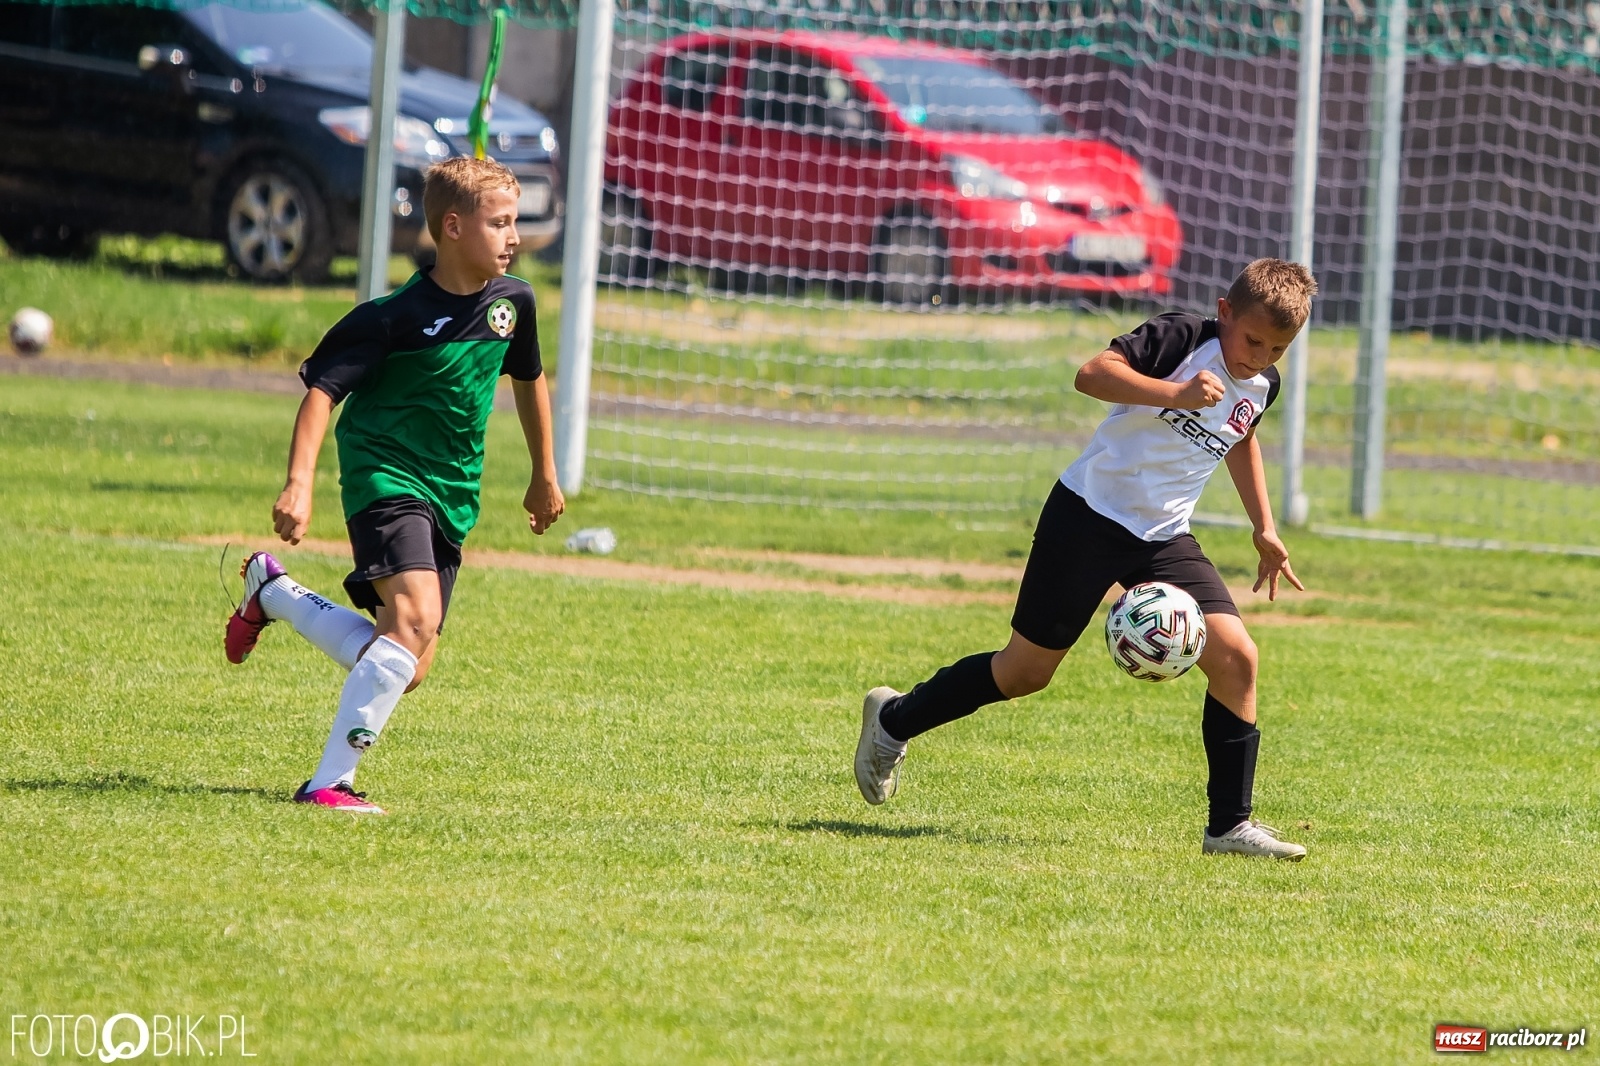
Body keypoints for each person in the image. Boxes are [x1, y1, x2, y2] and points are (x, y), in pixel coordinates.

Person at [854, 258, 1315, 860]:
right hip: (1088, 515)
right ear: (1226, 313)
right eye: (1253, 339)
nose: (1258, 357)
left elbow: (1241, 433)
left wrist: (1265, 526)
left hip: (1163, 537)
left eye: (1277, 349)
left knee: (1237, 659)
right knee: (1024, 673)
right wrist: (1173, 392)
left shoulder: (1262, 384)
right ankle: (893, 718)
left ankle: (1228, 827)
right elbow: (1091, 373)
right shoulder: (1183, 338)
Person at [223, 156, 564, 814]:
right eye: (500, 223)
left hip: (452, 495)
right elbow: (322, 393)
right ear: (454, 228)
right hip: (385, 474)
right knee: (412, 621)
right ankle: (328, 783)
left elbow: (530, 380)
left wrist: (543, 474)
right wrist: (300, 484)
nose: (514, 237)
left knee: (405, 663)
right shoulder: (393, 317)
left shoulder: (512, 304)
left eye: (515, 222)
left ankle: (275, 592)